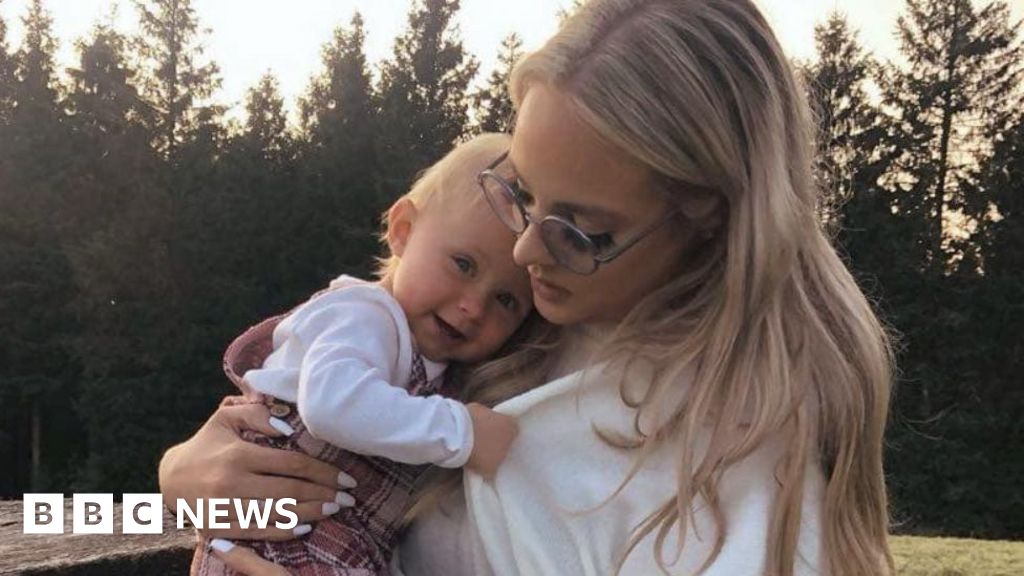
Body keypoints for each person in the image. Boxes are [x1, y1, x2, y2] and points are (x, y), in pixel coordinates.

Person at [160, 1, 895, 574]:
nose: (522, 252)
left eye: (579, 229)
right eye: (524, 195)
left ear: (707, 215)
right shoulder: (515, 325)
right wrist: (185, 477)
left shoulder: (743, 457)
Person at [190, 133, 538, 575]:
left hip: (330, 543)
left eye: (506, 300)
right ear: (403, 230)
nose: (474, 306)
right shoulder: (363, 314)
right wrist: (463, 431)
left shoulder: (436, 364)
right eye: (463, 264)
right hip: (281, 541)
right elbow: (331, 403)